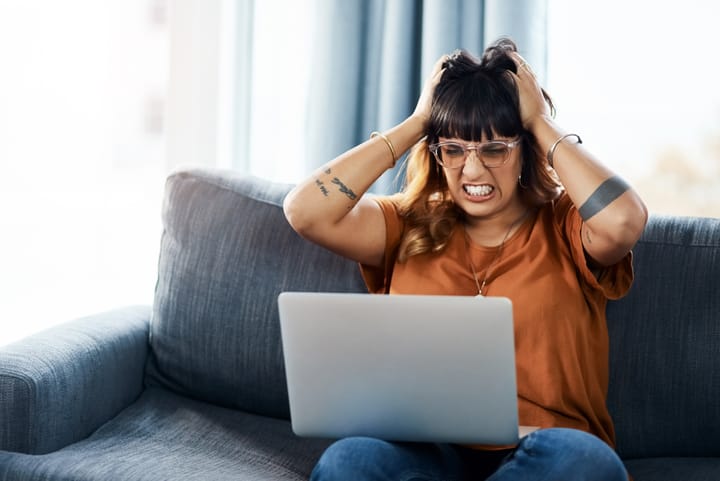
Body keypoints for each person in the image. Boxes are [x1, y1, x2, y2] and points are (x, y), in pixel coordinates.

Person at [283, 37, 647, 481]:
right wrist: (417, 122)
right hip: (425, 449)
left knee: (585, 462)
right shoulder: (405, 224)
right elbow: (304, 211)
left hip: (545, 449)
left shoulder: (567, 225)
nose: (472, 171)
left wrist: (541, 123)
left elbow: (625, 220)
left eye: (494, 149)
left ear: (524, 151)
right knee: (350, 461)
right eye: (453, 150)